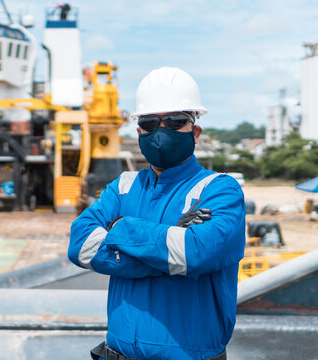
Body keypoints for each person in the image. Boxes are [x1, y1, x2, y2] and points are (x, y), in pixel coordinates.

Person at [68, 67, 246, 360]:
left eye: (176, 121)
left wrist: (119, 228)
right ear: (139, 131)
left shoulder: (219, 190)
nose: (161, 131)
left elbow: (194, 254)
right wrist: (167, 246)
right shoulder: (123, 186)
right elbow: (79, 246)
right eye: (150, 123)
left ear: (195, 131)